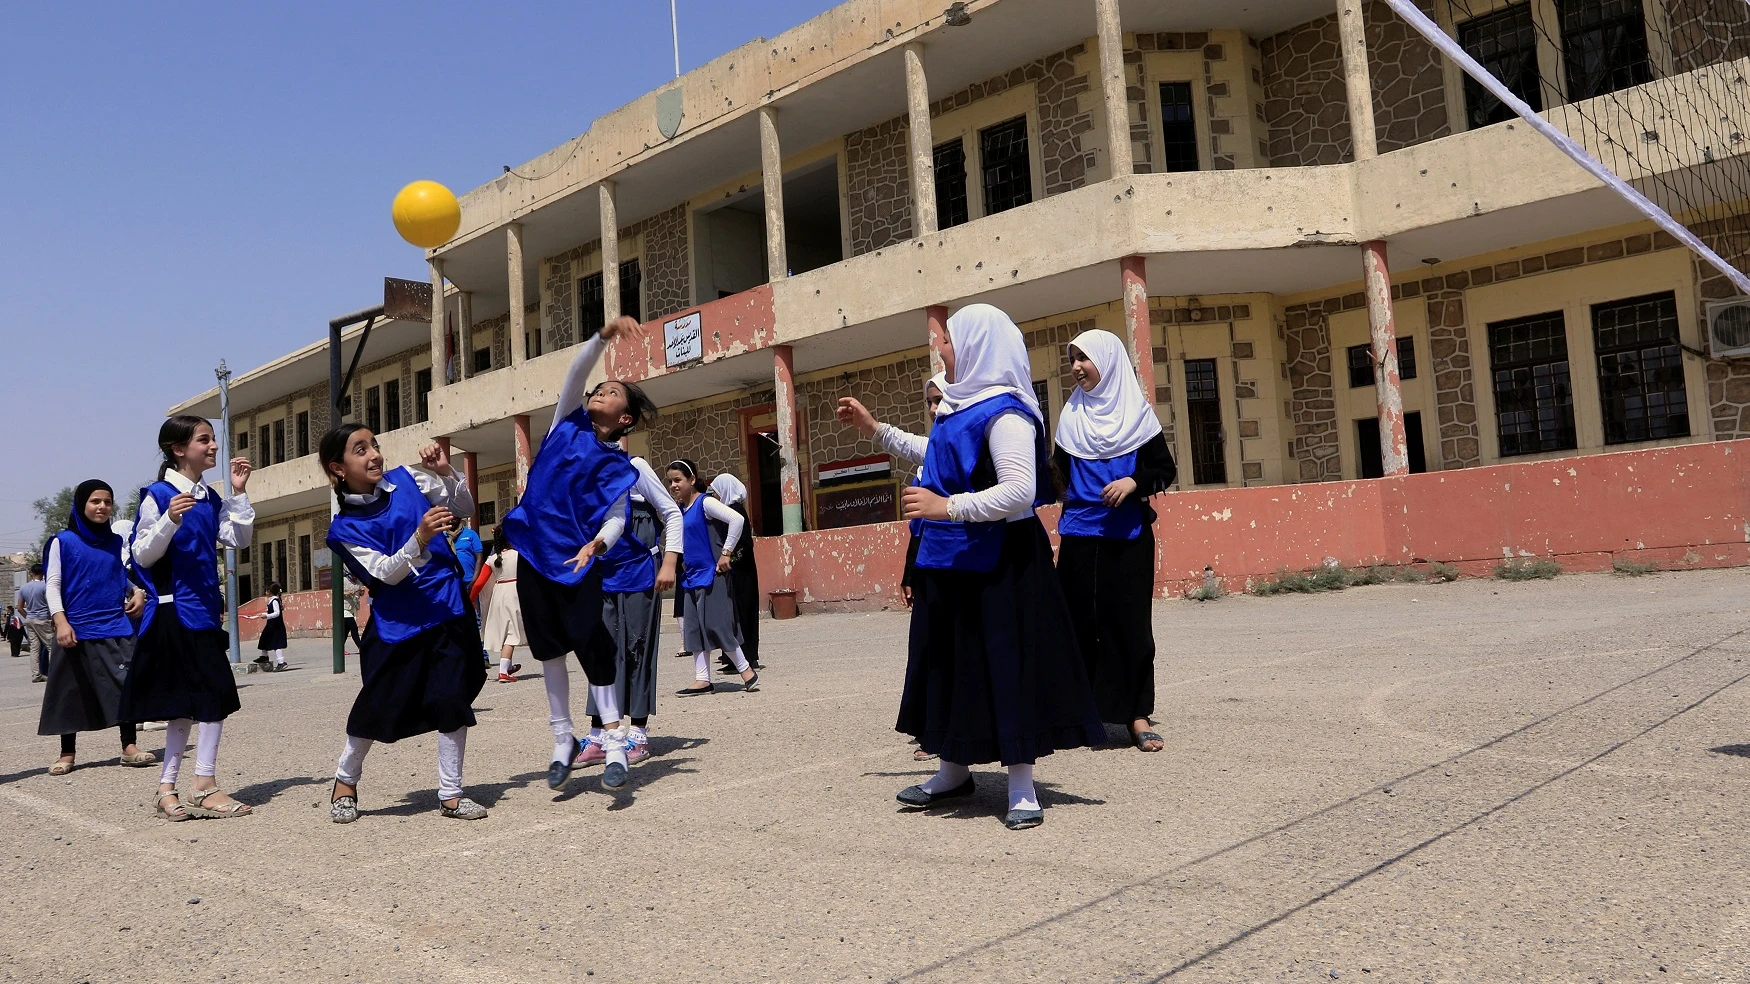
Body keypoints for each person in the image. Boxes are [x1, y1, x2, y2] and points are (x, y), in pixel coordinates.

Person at [836, 303, 1105, 830]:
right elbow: (935, 454)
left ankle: (1022, 786)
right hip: (951, 560)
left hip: (1001, 562)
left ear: (980, 346)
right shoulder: (959, 405)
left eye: (950, 342)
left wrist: (946, 507)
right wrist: (876, 429)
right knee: (950, 664)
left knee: (1007, 664)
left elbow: (1020, 490)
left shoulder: (1006, 411)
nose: (942, 349)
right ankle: (952, 769)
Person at [497, 315, 652, 792]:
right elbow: (575, 375)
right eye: (599, 390)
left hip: (578, 561)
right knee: (547, 651)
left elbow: (617, 518)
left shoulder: (619, 466)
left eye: (611, 393)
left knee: (590, 641)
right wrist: (602, 338)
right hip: (535, 555)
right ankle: (562, 738)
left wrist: (597, 543)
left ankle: (613, 743)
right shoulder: (565, 422)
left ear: (625, 418)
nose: (598, 394)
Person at [322, 427, 488, 823]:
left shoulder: (409, 477)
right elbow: (381, 575)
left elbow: (463, 507)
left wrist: (447, 473)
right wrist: (419, 537)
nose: (374, 455)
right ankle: (346, 778)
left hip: (446, 609)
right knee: (378, 703)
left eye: (374, 445)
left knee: (452, 698)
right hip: (397, 623)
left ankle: (451, 792)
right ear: (338, 468)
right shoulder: (342, 529)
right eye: (360, 450)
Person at [120, 414, 256, 821]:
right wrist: (169, 519)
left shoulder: (211, 499)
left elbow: (238, 540)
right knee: (208, 697)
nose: (214, 446)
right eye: (204, 440)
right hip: (173, 613)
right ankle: (204, 785)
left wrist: (238, 493)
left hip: (203, 612)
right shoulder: (159, 495)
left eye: (213, 440)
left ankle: (168, 789)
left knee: (191, 703)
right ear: (179, 449)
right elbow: (141, 555)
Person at [1053, 329, 1177, 753]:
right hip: (1078, 538)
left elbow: (1165, 470)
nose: (1075, 368)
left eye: (1082, 358)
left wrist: (1133, 481)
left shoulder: (1139, 418)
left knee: (1130, 625)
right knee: (1076, 624)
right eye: (1072, 360)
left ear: (1106, 361)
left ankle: (1136, 716)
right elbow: (1058, 474)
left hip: (1128, 538)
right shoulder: (1070, 418)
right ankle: (1078, 715)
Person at [37, 480, 156, 774]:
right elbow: (53, 585)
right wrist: (60, 620)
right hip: (75, 628)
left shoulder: (116, 542)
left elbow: (117, 575)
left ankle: (129, 746)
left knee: (125, 685)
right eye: (95, 501)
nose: (102, 507)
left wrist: (137, 590)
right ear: (81, 505)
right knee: (70, 690)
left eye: (107, 502)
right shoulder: (61, 541)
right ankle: (67, 754)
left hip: (114, 625)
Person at [580, 457, 682, 767]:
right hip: (604, 576)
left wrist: (669, 562)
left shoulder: (634, 466)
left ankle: (637, 735)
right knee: (602, 654)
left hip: (640, 573)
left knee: (638, 648)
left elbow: (672, 513)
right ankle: (599, 738)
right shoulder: (585, 473)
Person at [667, 459, 760, 697]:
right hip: (691, 577)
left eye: (678, 480)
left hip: (712, 575)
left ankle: (746, 670)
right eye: (670, 481)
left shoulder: (705, 503)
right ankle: (702, 679)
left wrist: (726, 552)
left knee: (717, 625)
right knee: (694, 629)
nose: (673, 485)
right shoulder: (679, 511)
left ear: (692, 479)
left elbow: (736, 520)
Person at [899, 373, 953, 762]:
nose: (934, 409)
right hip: (928, 565)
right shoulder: (928, 458)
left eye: (940, 400)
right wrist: (909, 574)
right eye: (929, 402)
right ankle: (930, 728)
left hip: (960, 566)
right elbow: (918, 529)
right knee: (926, 651)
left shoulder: (960, 453)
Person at [708, 473, 763, 673]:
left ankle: (747, 659)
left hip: (742, 574)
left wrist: (727, 560)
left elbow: (745, 545)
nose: (713, 495)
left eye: (715, 491)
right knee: (734, 616)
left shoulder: (736, 511)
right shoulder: (728, 511)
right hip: (736, 573)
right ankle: (734, 658)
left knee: (743, 614)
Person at [476, 531, 526, 683]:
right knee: (513, 632)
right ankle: (503, 671)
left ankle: (508, 666)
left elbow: (479, 583)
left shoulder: (491, 559)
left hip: (499, 594)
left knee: (506, 629)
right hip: (515, 593)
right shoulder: (519, 555)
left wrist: (470, 599)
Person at [243, 582, 288, 671]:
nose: (265, 592)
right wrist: (263, 614)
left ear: (269, 591)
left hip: (275, 625)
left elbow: (277, 613)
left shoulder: (275, 600)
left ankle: (281, 662)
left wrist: (267, 616)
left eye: (266, 590)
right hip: (271, 625)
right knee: (264, 638)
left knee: (276, 644)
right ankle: (264, 656)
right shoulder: (272, 600)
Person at [18, 565, 52, 683]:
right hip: (43, 619)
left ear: (31, 573)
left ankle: (36, 675)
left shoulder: (24, 588)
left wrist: (27, 617)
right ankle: (54, 674)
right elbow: (51, 603)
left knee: (34, 649)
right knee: (51, 646)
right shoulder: (45, 586)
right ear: (43, 573)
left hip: (30, 620)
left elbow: (20, 607)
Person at [451, 516, 483, 586]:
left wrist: (474, 579)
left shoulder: (471, 534)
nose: (450, 522)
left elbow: (479, 558)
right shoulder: (444, 537)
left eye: (453, 519)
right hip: (452, 582)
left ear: (459, 519)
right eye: (448, 519)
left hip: (469, 581)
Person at [341, 577, 365, 655]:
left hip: (353, 607)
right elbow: (337, 591)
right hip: (344, 608)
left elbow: (361, 594)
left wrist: (362, 591)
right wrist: (347, 592)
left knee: (346, 630)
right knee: (354, 628)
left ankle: (340, 648)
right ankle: (361, 647)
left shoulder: (358, 581)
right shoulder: (343, 580)